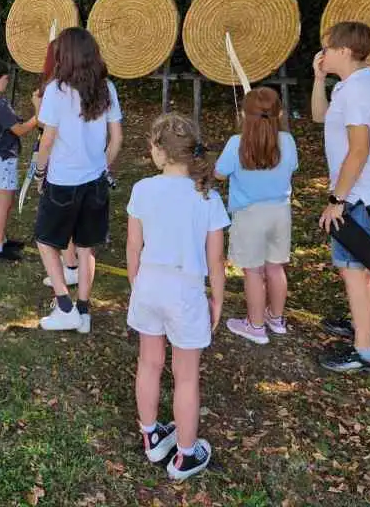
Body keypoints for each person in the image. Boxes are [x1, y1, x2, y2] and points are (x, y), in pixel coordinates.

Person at [126, 113, 228, 482]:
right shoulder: (208, 196)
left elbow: (133, 247)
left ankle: (151, 433)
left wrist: (137, 286)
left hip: (149, 286)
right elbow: (216, 259)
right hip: (186, 293)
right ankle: (185, 455)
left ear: (157, 151)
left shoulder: (142, 189)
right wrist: (217, 299)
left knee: (149, 363)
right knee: (186, 376)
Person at [312, 21, 370, 373]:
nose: (323, 53)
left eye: (328, 49)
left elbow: (358, 151)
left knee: (352, 269)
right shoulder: (361, 83)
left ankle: (364, 351)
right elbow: (319, 117)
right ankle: (361, 324)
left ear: (345, 52)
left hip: (359, 195)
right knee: (361, 266)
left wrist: (338, 200)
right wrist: (319, 79)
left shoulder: (359, 91)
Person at [33, 27, 123, 333]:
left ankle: (65, 305)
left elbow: (46, 141)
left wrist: (39, 173)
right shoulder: (106, 87)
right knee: (86, 247)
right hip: (95, 180)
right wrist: (101, 166)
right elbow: (117, 139)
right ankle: (83, 312)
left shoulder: (57, 90)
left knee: (46, 241)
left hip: (62, 181)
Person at [214, 87, 298, 345]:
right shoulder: (288, 141)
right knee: (275, 267)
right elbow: (292, 167)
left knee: (253, 272)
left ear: (243, 115)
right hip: (280, 213)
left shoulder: (236, 143)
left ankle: (256, 325)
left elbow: (219, 173)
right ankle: (276, 318)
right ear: (280, 113)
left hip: (249, 215)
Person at [0, 58, 39, 261]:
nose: (8, 81)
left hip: (3, 155)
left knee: (8, 199)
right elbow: (20, 130)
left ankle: (2, 239)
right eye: (6, 78)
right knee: (4, 202)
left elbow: (14, 123)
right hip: (4, 157)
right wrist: (38, 113)